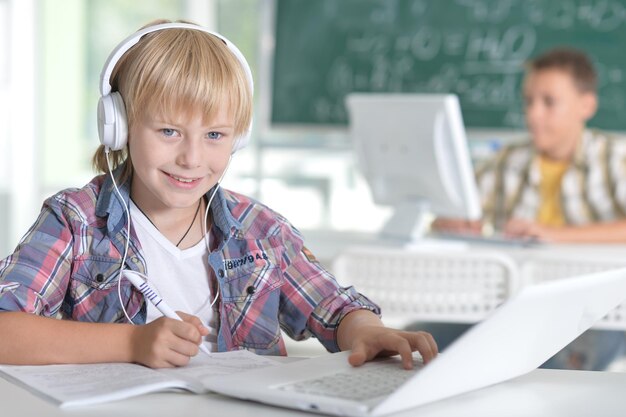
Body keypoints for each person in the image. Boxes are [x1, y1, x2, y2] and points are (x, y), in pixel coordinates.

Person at [0, 20, 437, 370]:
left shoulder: (261, 233)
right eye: (168, 131)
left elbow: (333, 308)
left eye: (214, 135)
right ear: (119, 125)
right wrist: (132, 342)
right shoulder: (75, 221)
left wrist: (365, 329)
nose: (192, 158)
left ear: (237, 138)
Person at [426, 47, 626, 370]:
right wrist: (452, 221)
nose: (533, 114)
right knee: (418, 343)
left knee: (554, 365)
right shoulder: (509, 161)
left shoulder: (614, 159)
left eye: (549, 102)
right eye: (529, 101)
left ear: (586, 105)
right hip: (514, 306)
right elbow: (454, 211)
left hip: (597, 311)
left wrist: (555, 236)